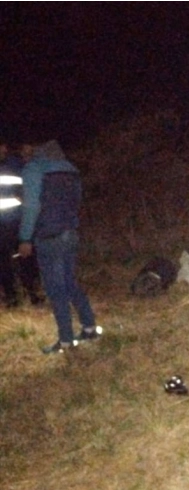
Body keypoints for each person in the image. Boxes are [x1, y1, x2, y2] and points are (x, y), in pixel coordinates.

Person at [17, 140, 102, 353]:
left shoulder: (34, 169)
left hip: (49, 236)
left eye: (25, 150)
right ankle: (89, 327)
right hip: (70, 233)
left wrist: (25, 237)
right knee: (70, 283)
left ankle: (65, 340)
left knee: (56, 289)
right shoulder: (71, 169)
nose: (23, 154)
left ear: (35, 149)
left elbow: (32, 206)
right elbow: (77, 201)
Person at [0, 141, 44, 307]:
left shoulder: (16, 165)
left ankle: (33, 295)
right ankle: (12, 298)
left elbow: (29, 189)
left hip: (17, 221)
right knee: (4, 263)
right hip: (6, 224)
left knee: (25, 258)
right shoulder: (15, 165)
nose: (4, 149)